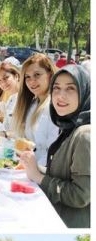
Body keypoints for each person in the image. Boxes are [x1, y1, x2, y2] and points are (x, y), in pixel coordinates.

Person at [18, 65, 90, 228]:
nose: (60, 96)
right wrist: (33, 167)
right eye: (56, 88)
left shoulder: (85, 135)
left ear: (85, 91)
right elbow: (63, 175)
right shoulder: (69, 126)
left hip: (65, 223)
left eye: (70, 89)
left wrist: (38, 177)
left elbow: (80, 195)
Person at [11, 53, 60, 167]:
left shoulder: (56, 107)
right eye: (27, 77)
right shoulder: (32, 104)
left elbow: (53, 153)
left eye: (37, 75)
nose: (31, 81)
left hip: (42, 174)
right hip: (26, 167)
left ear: (50, 74)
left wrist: (33, 171)